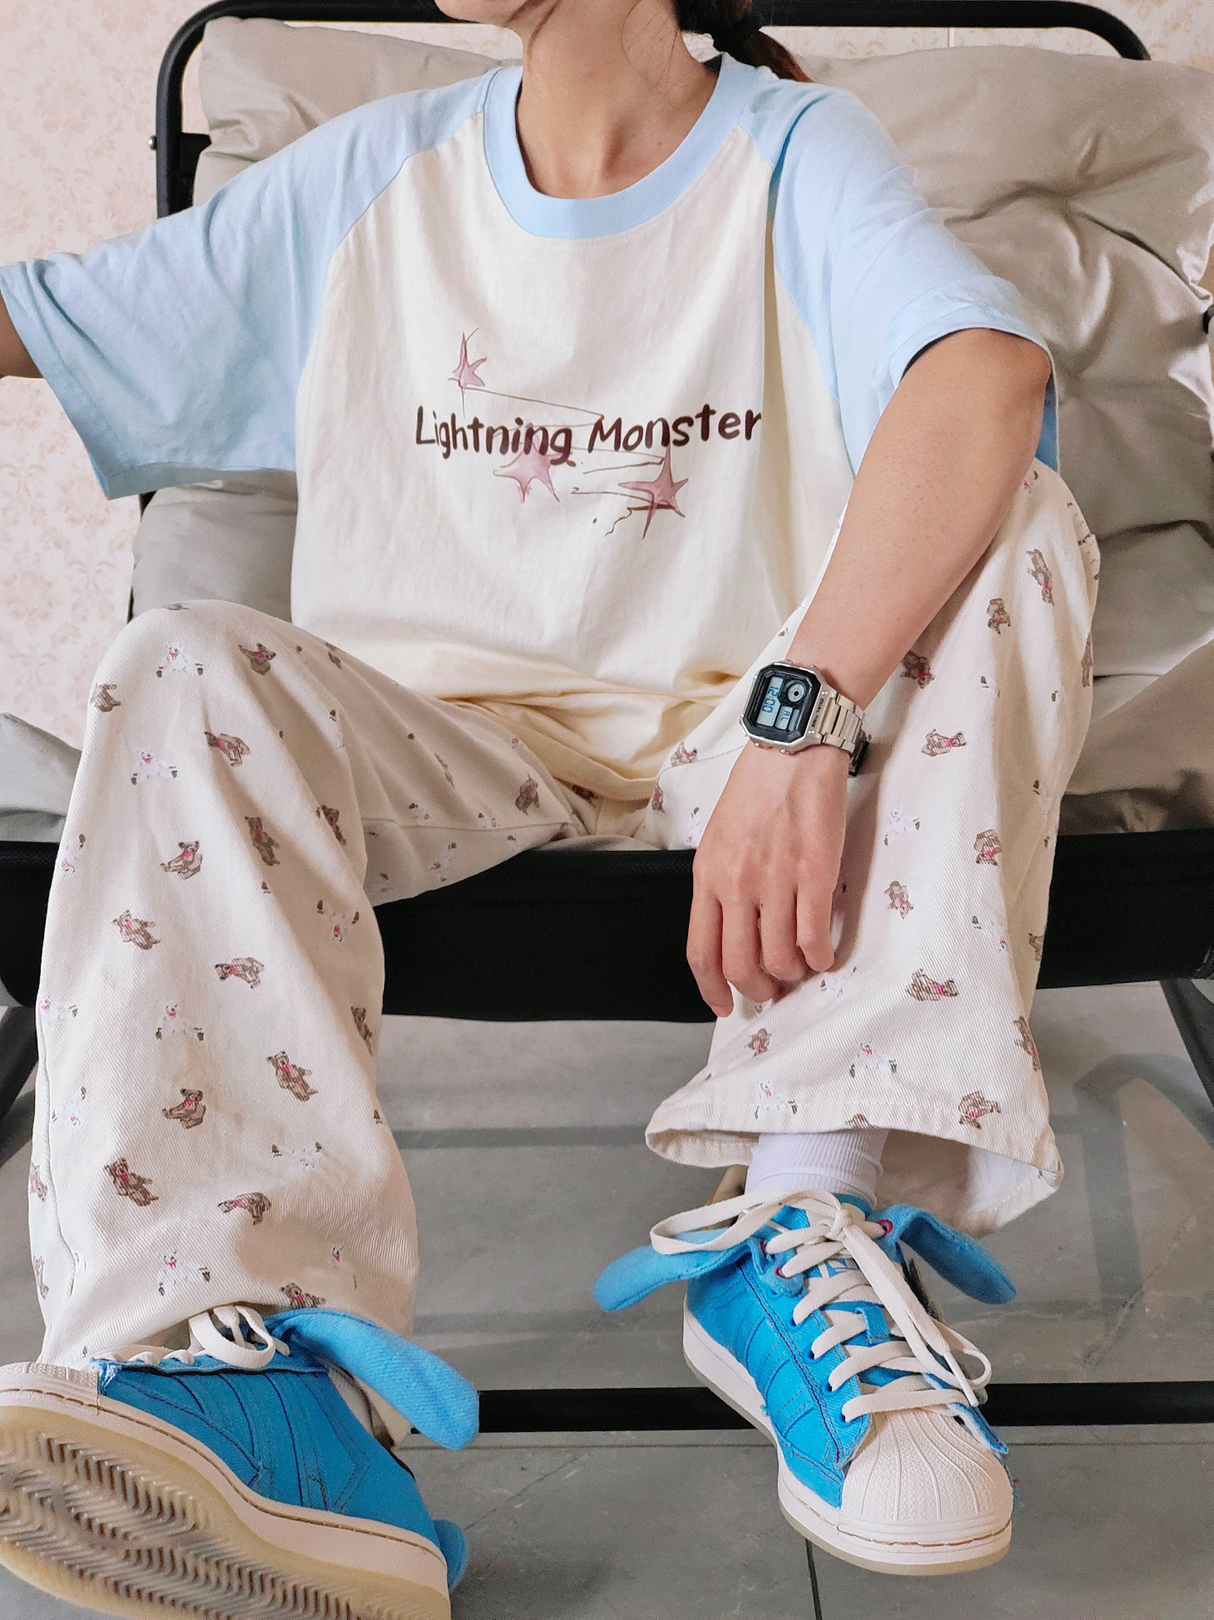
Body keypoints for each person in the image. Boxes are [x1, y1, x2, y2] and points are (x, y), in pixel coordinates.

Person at [0, 0, 1097, 1611]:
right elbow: (51, 322)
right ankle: (247, 1382)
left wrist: (799, 721)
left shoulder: (794, 156)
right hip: (439, 741)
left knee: (1024, 517)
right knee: (177, 664)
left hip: (739, 740)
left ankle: (800, 1220)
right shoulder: (371, 178)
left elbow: (983, 377)